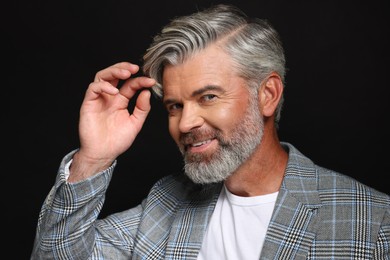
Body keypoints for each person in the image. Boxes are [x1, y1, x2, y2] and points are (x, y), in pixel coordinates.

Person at [31, 4, 389, 260]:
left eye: (208, 96)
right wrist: (94, 158)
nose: (185, 124)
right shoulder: (165, 205)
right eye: (175, 106)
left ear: (267, 95)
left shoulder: (374, 222)